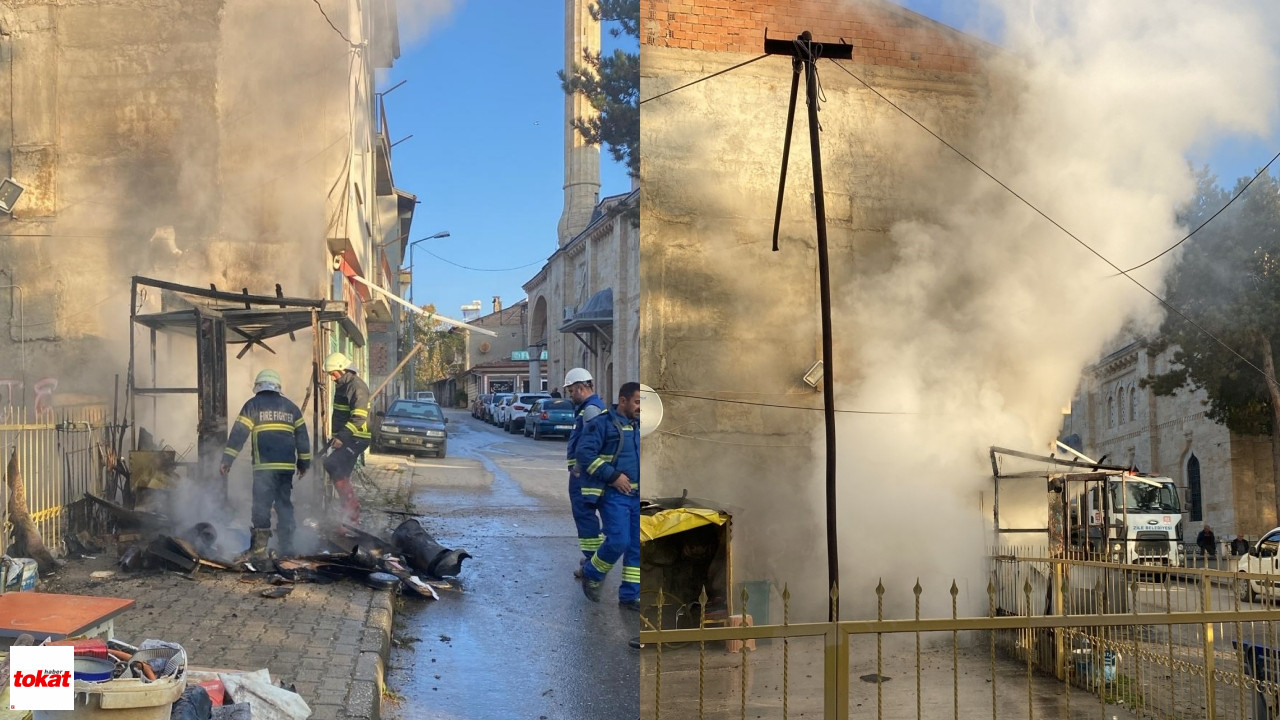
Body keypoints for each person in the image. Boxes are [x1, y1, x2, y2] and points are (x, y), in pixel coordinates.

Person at [220, 369, 311, 561]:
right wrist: (304, 463)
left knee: (261, 506)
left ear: (258, 386)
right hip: (286, 468)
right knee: (284, 505)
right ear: (278, 387)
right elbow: (302, 438)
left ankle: (259, 551)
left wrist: (227, 460)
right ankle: (287, 549)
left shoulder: (252, 405)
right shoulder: (291, 407)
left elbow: (238, 434)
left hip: (264, 468)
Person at [577, 382, 641, 609]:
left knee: (636, 548)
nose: (640, 407)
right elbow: (584, 454)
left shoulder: (638, 426)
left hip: (637, 496)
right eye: (637, 402)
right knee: (619, 541)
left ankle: (630, 596)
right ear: (622, 400)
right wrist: (613, 476)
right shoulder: (602, 424)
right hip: (614, 494)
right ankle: (592, 573)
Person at [564, 368, 607, 577]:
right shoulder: (588, 408)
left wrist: (579, 469)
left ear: (581, 388)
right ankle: (593, 559)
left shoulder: (590, 410)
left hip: (584, 476)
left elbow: (589, 444)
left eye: (571, 390)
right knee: (585, 517)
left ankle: (593, 564)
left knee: (585, 517)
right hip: (584, 473)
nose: (570, 395)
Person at [323, 352, 371, 527]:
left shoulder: (356, 386)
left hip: (356, 437)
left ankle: (352, 512)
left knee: (332, 464)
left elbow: (359, 418)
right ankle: (349, 518)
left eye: (333, 373)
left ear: (343, 370)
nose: (332, 378)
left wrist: (341, 437)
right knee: (340, 472)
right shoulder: (344, 385)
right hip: (348, 437)